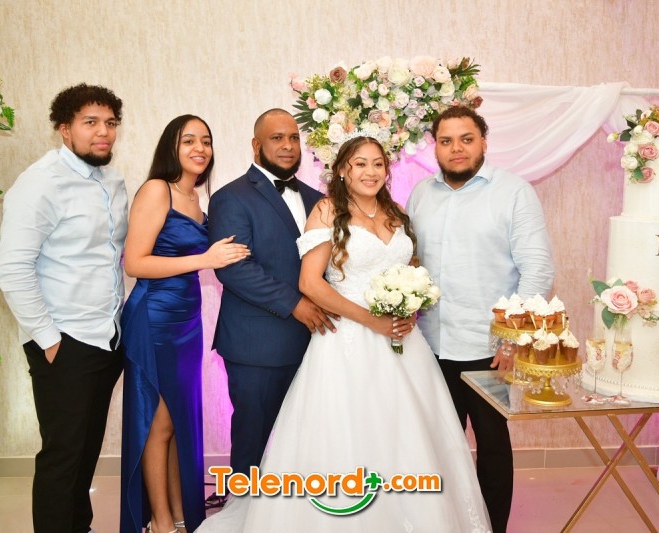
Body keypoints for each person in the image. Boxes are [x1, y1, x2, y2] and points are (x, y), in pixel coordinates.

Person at [196, 135, 491, 532]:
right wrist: (371, 321)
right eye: (360, 164)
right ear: (341, 171)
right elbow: (310, 283)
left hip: (404, 344)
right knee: (350, 433)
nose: (371, 172)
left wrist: (410, 304)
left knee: (408, 433)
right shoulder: (327, 211)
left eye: (378, 164)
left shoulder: (396, 212)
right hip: (348, 340)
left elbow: (410, 268)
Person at [407, 105, 555, 533]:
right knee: (438, 447)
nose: (456, 148)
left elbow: (538, 271)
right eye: (446, 141)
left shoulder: (513, 192)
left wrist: (513, 338)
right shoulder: (420, 194)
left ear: (484, 142)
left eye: (466, 139)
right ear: (435, 147)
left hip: (489, 349)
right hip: (429, 345)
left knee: (491, 446)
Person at [0, 84, 128, 533]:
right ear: (64, 129)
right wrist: (49, 339)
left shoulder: (113, 181)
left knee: (86, 452)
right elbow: (11, 268)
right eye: (91, 122)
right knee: (62, 457)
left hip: (106, 337)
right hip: (65, 341)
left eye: (110, 123)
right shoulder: (41, 183)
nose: (103, 132)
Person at [119, 115, 250, 533]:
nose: (200, 148)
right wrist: (205, 259)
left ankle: (180, 514)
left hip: (188, 321)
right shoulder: (157, 190)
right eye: (188, 140)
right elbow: (135, 262)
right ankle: (159, 521)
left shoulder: (196, 198)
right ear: (171, 148)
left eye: (206, 141)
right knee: (158, 423)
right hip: (154, 317)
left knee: (178, 421)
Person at [207, 108, 335, 501]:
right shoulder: (231, 197)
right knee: (253, 437)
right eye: (277, 138)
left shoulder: (317, 200)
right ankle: (242, 510)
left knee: (308, 437)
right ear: (256, 145)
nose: (287, 145)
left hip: (314, 343)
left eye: (294, 137)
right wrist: (296, 304)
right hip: (256, 344)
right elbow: (235, 268)